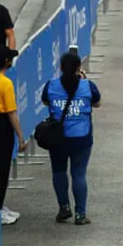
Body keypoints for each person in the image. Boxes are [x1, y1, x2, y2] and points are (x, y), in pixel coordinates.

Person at [42, 52, 101, 225]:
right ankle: (80, 214)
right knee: (79, 173)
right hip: (81, 137)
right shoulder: (87, 86)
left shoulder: (51, 86)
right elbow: (97, 103)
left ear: (60, 68)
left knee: (59, 172)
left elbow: (46, 102)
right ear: (78, 68)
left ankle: (64, 208)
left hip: (58, 138)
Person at [0, 45, 27, 225]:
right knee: (2, 169)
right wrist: (21, 137)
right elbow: (11, 113)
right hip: (3, 127)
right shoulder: (5, 83)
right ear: (6, 62)